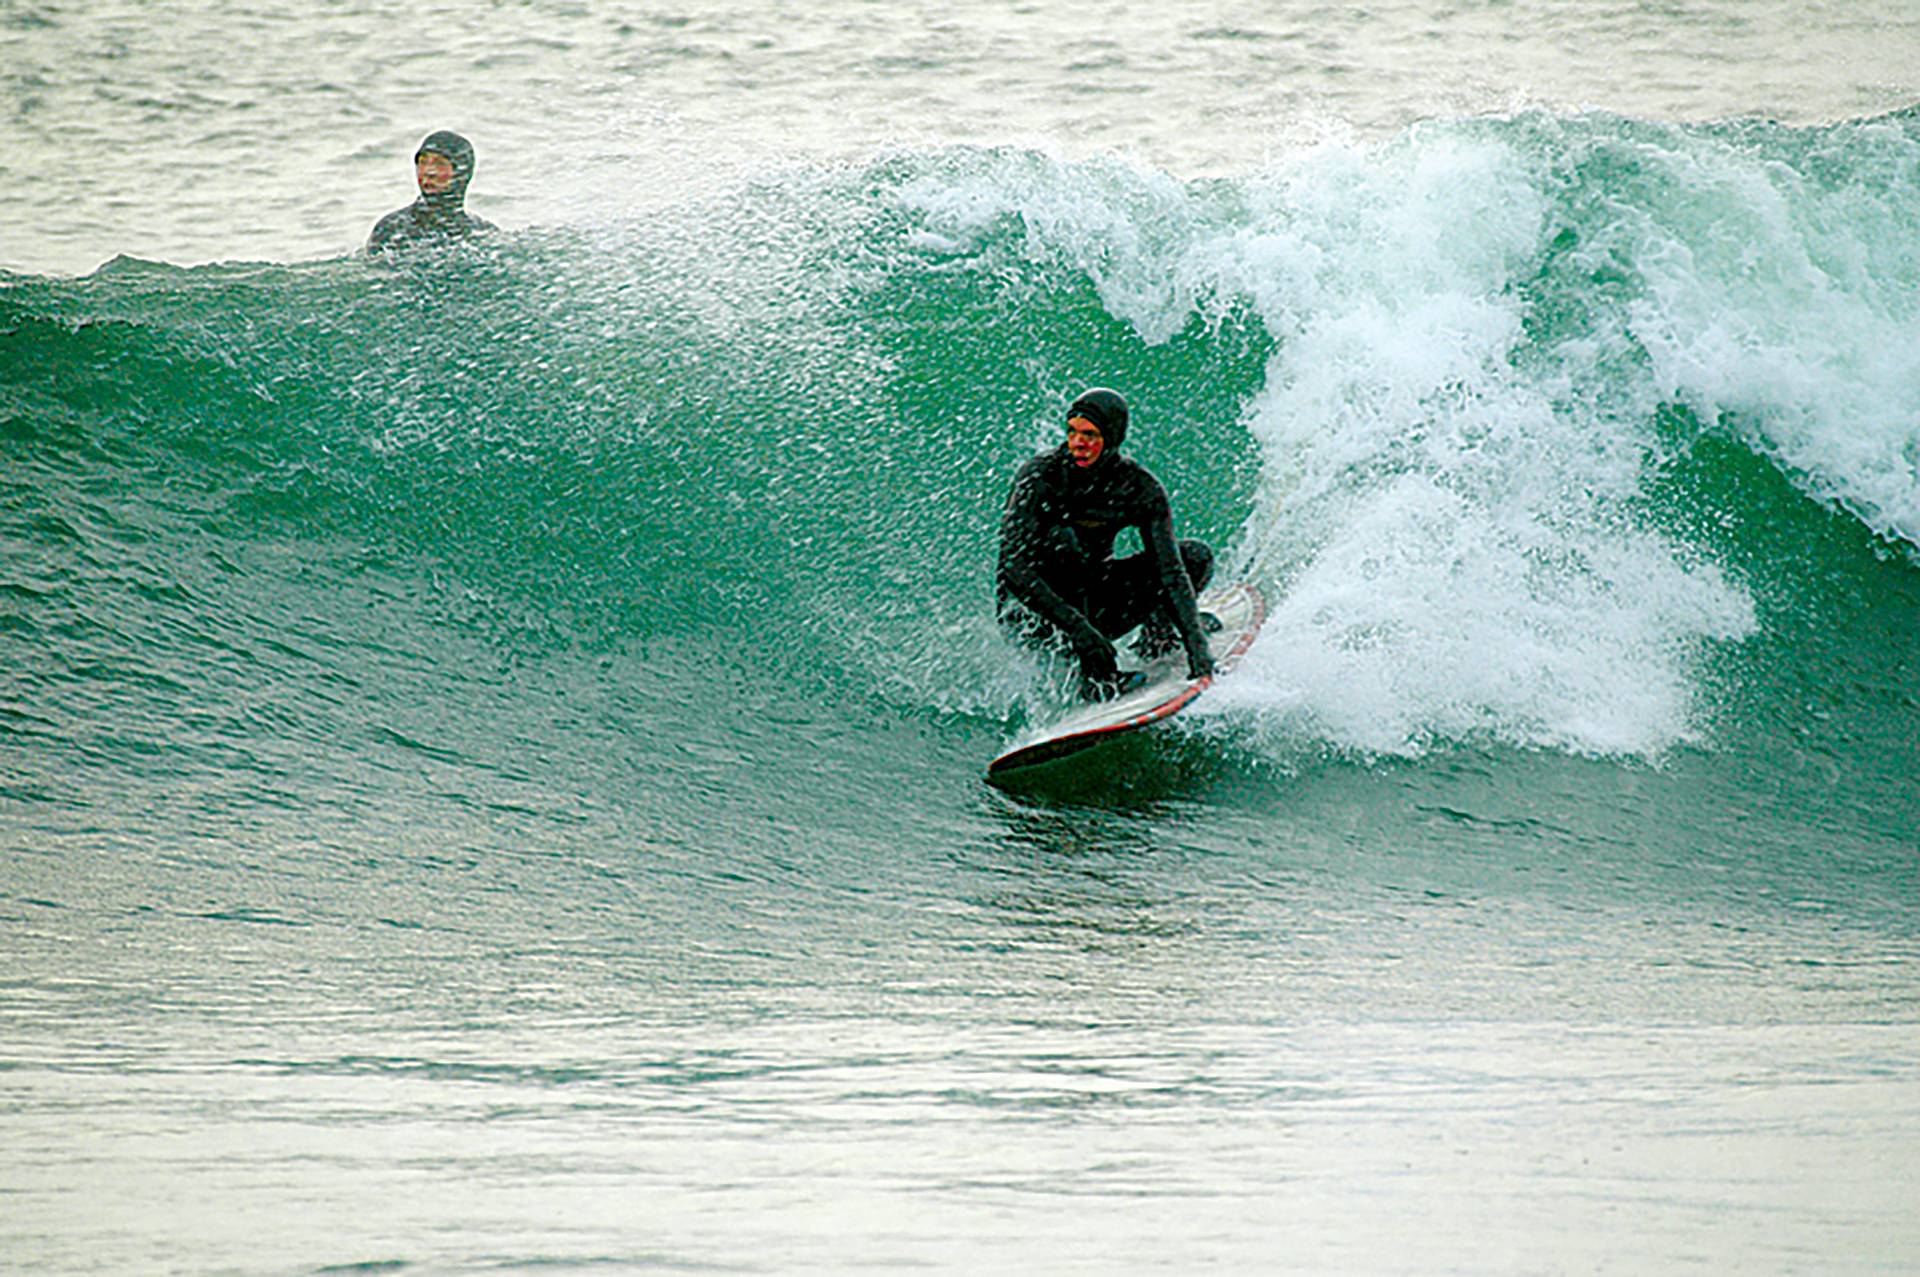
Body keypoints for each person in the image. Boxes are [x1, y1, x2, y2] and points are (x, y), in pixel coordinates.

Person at [997, 387, 1217, 699]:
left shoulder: (1137, 487)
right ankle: (1098, 680)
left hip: (1092, 602)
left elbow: (1171, 572)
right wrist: (1080, 630)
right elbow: (1014, 570)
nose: (1077, 444)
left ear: (1111, 438)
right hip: (1035, 617)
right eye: (1072, 432)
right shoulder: (1040, 477)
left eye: (1089, 435)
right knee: (1065, 542)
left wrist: (1197, 645)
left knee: (1195, 558)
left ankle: (1159, 638)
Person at [367, 130, 496, 254]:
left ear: (462, 173)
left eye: (440, 163)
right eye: (423, 162)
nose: (429, 172)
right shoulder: (392, 230)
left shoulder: (484, 234)